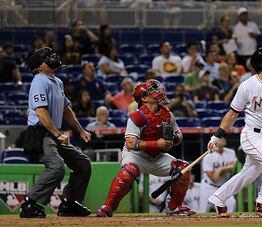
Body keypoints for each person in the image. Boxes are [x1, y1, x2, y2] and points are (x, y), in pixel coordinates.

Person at [206, 47, 262, 218]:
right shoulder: (247, 86)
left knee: (248, 174)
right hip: (252, 134)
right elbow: (232, 113)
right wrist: (217, 135)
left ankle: (218, 198)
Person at [96, 79, 196, 217]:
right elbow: (131, 143)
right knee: (127, 173)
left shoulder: (167, 114)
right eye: (152, 90)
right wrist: (157, 143)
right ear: (144, 98)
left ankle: (174, 206)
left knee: (184, 169)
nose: (158, 91)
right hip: (136, 155)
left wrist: (172, 140)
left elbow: (179, 135)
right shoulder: (137, 116)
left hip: (157, 156)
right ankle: (108, 207)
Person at [20, 47, 92, 218]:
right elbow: (41, 112)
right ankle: (30, 203)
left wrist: (80, 130)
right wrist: (57, 134)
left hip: (53, 133)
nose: (52, 58)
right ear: (40, 67)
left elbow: (66, 108)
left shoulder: (57, 81)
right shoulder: (39, 80)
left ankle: (69, 204)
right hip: (40, 133)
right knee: (57, 167)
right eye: (47, 58)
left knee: (82, 164)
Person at [199, 136, 237, 213]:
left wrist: (220, 170)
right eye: (217, 145)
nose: (219, 147)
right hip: (208, 187)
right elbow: (213, 177)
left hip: (223, 186)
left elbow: (232, 166)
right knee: (203, 211)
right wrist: (226, 168)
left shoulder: (230, 152)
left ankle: (230, 223)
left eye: (221, 145)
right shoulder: (208, 156)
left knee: (232, 204)